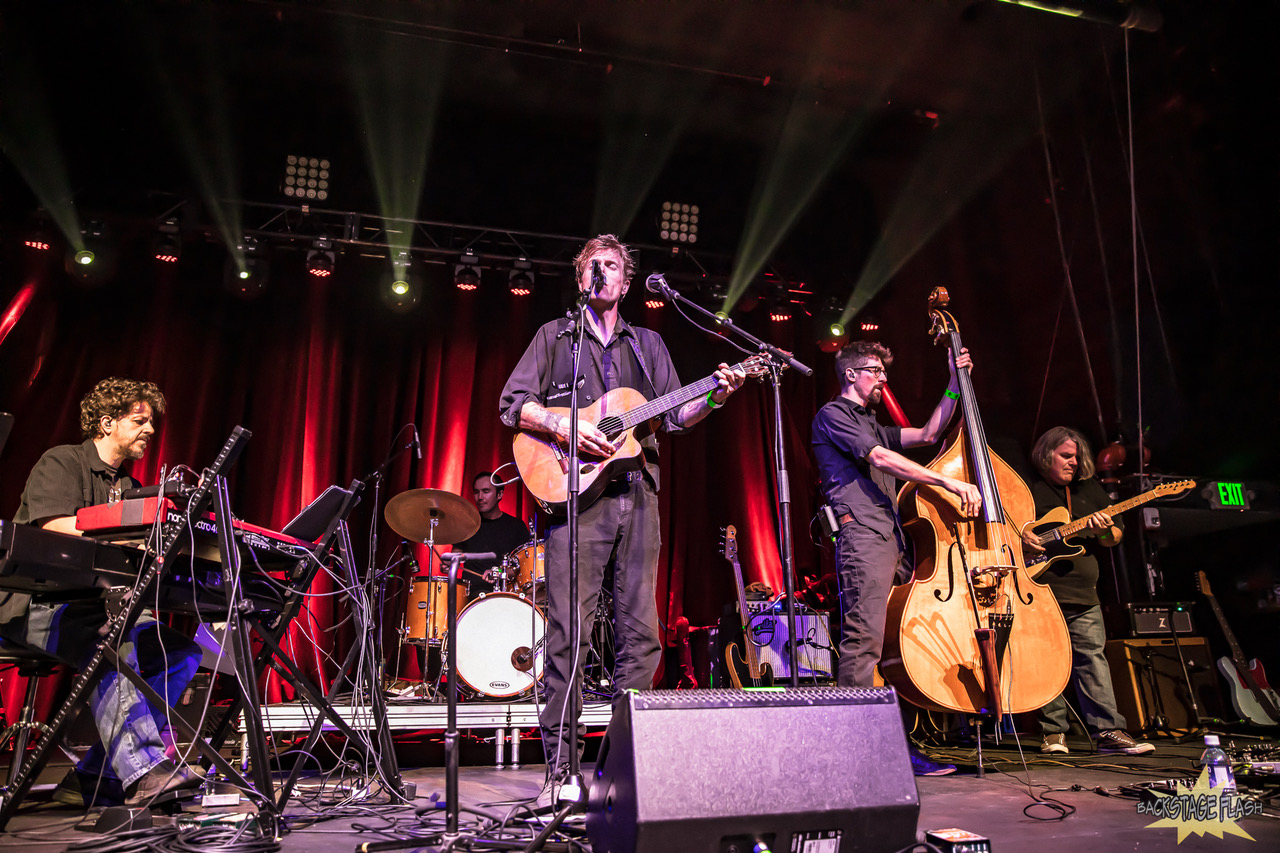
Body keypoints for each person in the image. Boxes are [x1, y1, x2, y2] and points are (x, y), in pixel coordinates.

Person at [500, 234, 745, 794]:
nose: (602, 273)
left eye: (611, 266)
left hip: (639, 494)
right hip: (574, 500)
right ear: (581, 277)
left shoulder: (648, 345)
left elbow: (676, 415)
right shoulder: (555, 337)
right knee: (568, 634)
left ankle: (616, 768)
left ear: (627, 282)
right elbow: (513, 403)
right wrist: (563, 424)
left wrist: (717, 395)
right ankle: (560, 773)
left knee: (642, 637)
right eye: (592, 266)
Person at [0, 377, 205, 806]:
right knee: (110, 641)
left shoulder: (128, 488)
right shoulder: (61, 461)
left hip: (95, 605)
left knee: (180, 653)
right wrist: (124, 534)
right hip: (35, 603)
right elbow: (54, 528)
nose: (150, 429)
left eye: (151, 422)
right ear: (107, 422)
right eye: (139, 420)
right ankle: (145, 771)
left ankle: (95, 774)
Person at [811, 339, 981, 776]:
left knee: (892, 646)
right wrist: (947, 484)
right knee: (863, 641)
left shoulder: (872, 423)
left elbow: (927, 434)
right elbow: (882, 458)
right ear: (851, 374)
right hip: (863, 535)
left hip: (890, 539)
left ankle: (893, 747)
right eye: (875, 370)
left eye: (885, 370)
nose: (884, 378)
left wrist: (953, 383)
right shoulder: (834, 415)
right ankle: (858, 750)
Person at [1022, 426, 1154, 755]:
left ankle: (1108, 732)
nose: (1073, 462)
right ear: (1045, 453)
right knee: (1046, 661)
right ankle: (1053, 734)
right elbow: (1004, 524)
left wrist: (1106, 528)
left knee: (1091, 660)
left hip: (1083, 593)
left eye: (1077, 457)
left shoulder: (1088, 489)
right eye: (1066, 455)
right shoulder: (1027, 487)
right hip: (1038, 590)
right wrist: (1023, 535)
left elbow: (1114, 539)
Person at [451, 471, 533, 593]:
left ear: (499, 494)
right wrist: (449, 564)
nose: (480, 497)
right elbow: (455, 557)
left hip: (504, 594)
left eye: (486, 491)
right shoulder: (466, 524)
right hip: (470, 595)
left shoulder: (516, 526)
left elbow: (521, 567)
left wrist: (498, 572)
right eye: (476, 492)